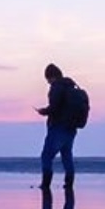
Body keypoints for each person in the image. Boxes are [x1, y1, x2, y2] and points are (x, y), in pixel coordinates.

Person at [34, 63, 79, 191]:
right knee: (67, 155)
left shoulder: (57, 87)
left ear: (51, 77)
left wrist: (44, 111)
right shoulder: (71, 87)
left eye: (47, 79)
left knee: (46, 156)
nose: (48, 82)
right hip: (71, 128)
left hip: (58, 127)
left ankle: (46, 184)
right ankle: (69, 184)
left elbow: (54, 108)